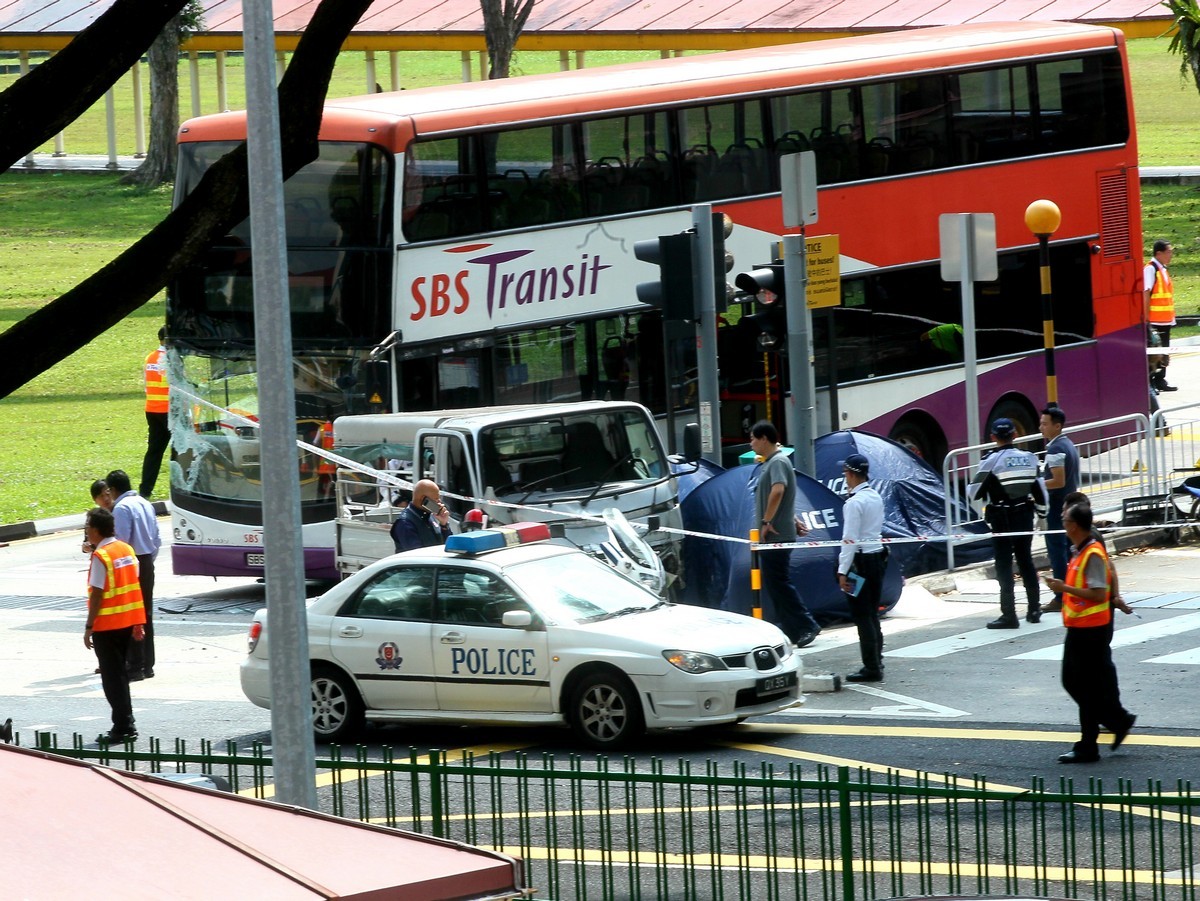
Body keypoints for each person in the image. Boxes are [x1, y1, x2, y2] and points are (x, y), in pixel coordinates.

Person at [1044, 502, 1136, 763]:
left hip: (1091, 629)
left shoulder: (1092, 552)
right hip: (1079, 628)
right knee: (1075, 683)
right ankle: (1115, 721)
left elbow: (1097, 594)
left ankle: (1090, 743)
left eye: (1064, 519)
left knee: (1083, 686)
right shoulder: (1079, 550)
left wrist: (1064, 589)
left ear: (1073, 525)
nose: (1062, 523)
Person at [968, 418, 1048, 628]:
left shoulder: (991, 461)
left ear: (993, 437)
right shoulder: (1030, 458)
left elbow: (974, 493)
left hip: (1001, 519)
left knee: (1003, 565)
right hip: (1024, 515)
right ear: (1015, 435)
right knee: (1026, 561)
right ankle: (1034, 609)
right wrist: (1042, 516)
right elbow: (1040, 493)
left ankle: (1009, 615)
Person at [749, 420, 821, 648]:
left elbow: (778, 491)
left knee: (779, 583)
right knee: (775, 584)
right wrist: (793, 520)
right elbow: (785, 497)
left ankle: (806, 626)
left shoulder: (777, 462)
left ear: (763, 439)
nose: (751, 444)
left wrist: (767, 522)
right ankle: (793, 630)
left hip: (776, 535)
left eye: (752, 438)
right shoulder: (772, 463)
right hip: (776, 532)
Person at [82, 506, 146, 744]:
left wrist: (89, 627)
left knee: (113, 679)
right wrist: (139, 622)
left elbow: (97, 594)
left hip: (107, 626)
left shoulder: (101, 557)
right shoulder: (126, 550)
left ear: (96, 530)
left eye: (88, 527)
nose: (86, 532)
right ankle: (126, 722)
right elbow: (134, 584)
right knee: (121, 676)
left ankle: (123, 727)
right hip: (128, 623)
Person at [835, 453, 888, 682]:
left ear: (852, 473)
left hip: (859, 563)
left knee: (861, 614)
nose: (845, 477)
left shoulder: (854, 503)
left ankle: (871, 667)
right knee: (872, 612)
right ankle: (877, 659)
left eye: (845, 473)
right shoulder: (875, 496)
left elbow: (849, 540)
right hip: (877, 558)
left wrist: (842, 571)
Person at [107, 469, 161, 680]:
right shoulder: (145, 503)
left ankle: (134, 665)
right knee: (145, 613)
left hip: (130, 564)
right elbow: (156, 539)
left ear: (112, 489)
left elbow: (121, 541)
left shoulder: (121, 508)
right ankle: (148, 664)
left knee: (130, 615)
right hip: (147, 561)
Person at [1039, 405, 1079, 614]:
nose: (1041, 428)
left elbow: (1058, 480)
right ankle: (1071, 591)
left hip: (1057, 508)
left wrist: (1037, 483)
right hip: (1069, 505)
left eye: (1045, 424)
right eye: (1041, 423)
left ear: (1057, 425)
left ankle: (1060, 595)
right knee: (1067, 551)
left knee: (1057, 552)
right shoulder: (1068, 444)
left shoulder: (1055, 448)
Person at [140, 327, 171, 497]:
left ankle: (145, 491)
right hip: (169, 411)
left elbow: (146, 385)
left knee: (154, 452)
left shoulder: (149, 358)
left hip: (152, 410)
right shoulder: (172, 359)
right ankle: (183, 488)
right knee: (181, 450)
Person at [1144, 240, 1176, 392]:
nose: (1171, 255)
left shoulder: (1163, 269)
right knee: (1153, 353)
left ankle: (1160, 379)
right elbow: (1146, 293)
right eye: (1168, 252)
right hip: (1154, 320)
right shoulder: (1151, 269)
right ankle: (1151, 382)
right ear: (1159, 253)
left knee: (1164, 352)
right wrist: (1145, 319)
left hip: (1165, 320)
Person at [390, 478, 452, 552]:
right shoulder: (405, 523)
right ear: (423, 499)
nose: (439, 502)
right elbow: (417, 556)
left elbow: (448, 546)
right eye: (436, 499)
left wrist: (444, 525)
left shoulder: (429, 515)